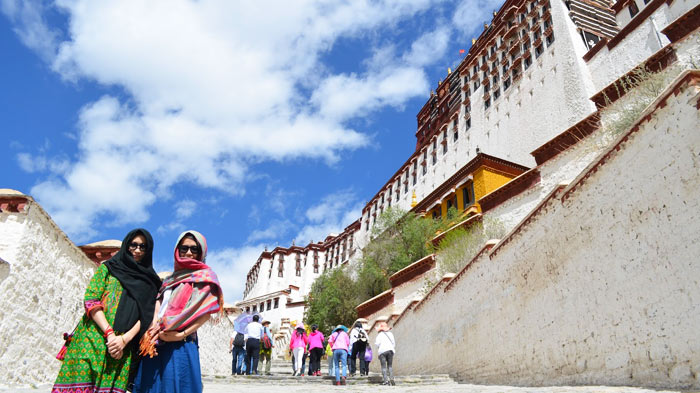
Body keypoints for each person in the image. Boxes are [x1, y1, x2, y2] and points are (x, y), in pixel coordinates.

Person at [52, 229, 161, 393]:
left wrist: (124, 340)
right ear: (126, 245)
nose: (138, 250)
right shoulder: (108, 268)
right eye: (134, 245)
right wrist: (110, 334)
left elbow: (146, 316)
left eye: (143, 247)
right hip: (90, 340)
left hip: (120, 351)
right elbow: (91, 299)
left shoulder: (151, 283)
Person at [134, 230, 224, 393]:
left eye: (194, 249)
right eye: (184, 248)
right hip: (156, 341)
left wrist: (181, 335)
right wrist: (154, 328)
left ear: (201, 252)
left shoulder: (205, 278)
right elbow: (158, 305)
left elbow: (205, 314)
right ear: (177, 250)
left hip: (182, 343)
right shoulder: (170, 280)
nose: (188, 252)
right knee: (152, 386)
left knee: (178, 386)